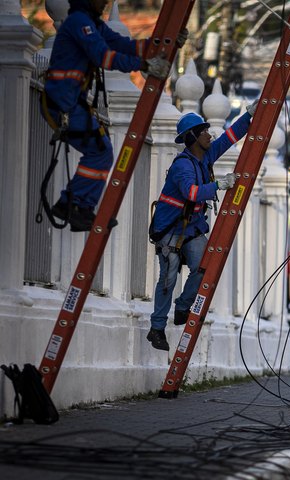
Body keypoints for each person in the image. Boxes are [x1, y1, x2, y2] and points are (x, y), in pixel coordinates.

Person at [42, 0, 177, 232]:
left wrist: (163, 46)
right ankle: (75, 206)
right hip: (63, 104)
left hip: (71, 102)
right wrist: (143, 65)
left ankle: (71, 205)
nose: (105, 1)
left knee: (101, 151)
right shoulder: (79, 23)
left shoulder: (92, 24)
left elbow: (122, 44)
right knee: (100, 152)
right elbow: (104, 57)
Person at [146, 103, 257, 351]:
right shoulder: (183, 165)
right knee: (168, 277)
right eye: (205, 131)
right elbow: (192, 193)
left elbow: (230, 136)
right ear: (194, 137)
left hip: (191, 227)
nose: (210, 135)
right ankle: (157, 329)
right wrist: (219, 186)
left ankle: (183, 307)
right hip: (170, 230)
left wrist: (248, 115)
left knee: (203, 266)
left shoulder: (205, 156)